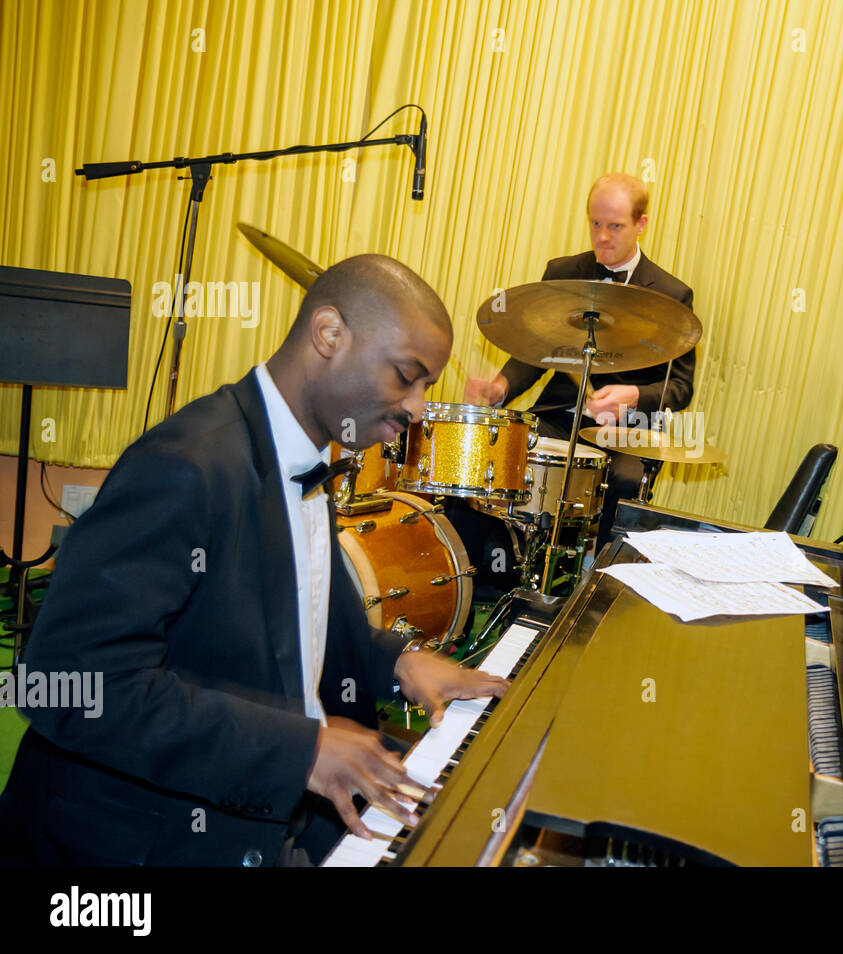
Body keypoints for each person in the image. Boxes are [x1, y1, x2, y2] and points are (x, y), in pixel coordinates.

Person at [0, 254, 509, 866]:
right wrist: (302, 753)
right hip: (132, 841)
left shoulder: (307, 453)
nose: (419, 407)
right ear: (329, 335)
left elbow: (305, 625)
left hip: (255, 800)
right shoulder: (186, 465)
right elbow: (70, 685)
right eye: (407, 375)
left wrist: (401, 663)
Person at [465, 172, 696, 545]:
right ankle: (494, 567)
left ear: (641, 224)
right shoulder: (563, 272)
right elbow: (537, 351)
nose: (602, 237)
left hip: (628, 430)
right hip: (560, 416)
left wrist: (632, 396)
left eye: (616, 226)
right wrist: (499, 387)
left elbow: (680, 387)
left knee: (623, 479)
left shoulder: (672, 294)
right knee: (499, 450)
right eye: (595, 223)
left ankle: (598, 587)